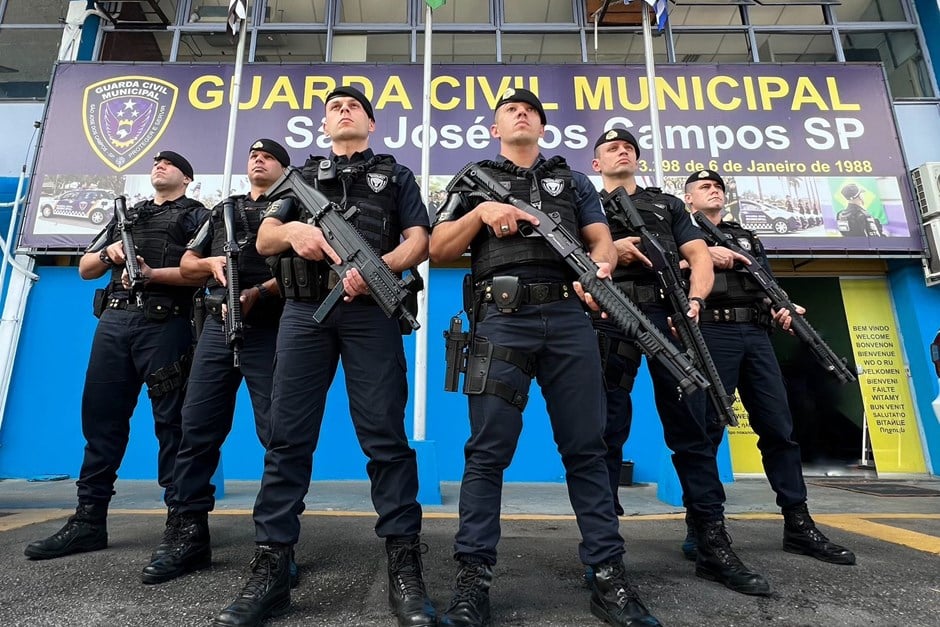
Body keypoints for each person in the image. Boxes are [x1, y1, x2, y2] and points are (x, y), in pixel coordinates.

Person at [431, 89, 661, 627]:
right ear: (494, 127)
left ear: (542, 126)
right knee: (487, 452)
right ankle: (473, 578)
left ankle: (608, 575)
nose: (522, 112)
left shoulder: (572, 181)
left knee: (587, 448)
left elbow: (600, 241)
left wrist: (599, 268)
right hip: (500, 318)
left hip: (567, 320)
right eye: (511, 109)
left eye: (532, 109)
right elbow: (439, 248)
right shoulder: (471, 179)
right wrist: (481, 214)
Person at [211, 87, 433, 627]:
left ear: (371, 122)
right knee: (287, 436)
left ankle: (403, 560)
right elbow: (264, 239)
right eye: (334, 106)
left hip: (370, 311)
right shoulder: (299, 178)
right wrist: (294, 230)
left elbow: (419, 241)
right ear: (324, 123)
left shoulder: (397, 176)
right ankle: (272, 561)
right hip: (304, 310)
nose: (343, 110)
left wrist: (377, 268)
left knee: (384, 435)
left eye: (353, 106)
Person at [591, 129, 770, 597]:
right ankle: (606, 553)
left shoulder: (667, 205)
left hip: (670, 316)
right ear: (597, 163)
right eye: (610, 147)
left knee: (693, 430)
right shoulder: (584, 202)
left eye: (628, 146)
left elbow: (697, 255)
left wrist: (694, 300)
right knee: (606, 431)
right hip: (612, 317)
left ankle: (711, 541)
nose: (621, 150)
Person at [24, 151, 206, 561]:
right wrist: (112, 255)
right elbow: (85, 267)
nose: (160, 165)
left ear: (187, 178)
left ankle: (183, 525)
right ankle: (88, 519)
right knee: (101, 421)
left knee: (173, 426)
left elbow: (204, 269)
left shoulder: (198, 216)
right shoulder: (130, 216)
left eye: (170, 163)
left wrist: (152, 272)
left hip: (166, 323)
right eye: (156, 162)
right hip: (114, 321)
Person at [685, 168, 856, 566]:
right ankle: (703, 526)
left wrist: (781, 307)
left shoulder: (744, 235)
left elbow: (765, 282)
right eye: (704, 187)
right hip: (712, 332)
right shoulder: (681, 231)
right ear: (689, 199)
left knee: (779, 429)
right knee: (707, 432)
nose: (714, 191)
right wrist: (697, 254)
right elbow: (663, 271)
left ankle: (798, 524)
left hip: (756, 335)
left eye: (718, 187)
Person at [139, 139, 289, 585]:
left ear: (283, 167)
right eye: (252, 156)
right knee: (195, 428)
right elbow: (187, 262)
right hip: (216, 327)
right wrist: (208, 265)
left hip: (271, 326)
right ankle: (188, 534)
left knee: (277, 435)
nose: (257, 160)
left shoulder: (295, 206)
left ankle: (276, 545)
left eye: (267, 156)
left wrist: (259, 292)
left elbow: (303, 270)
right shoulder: (223, 210)